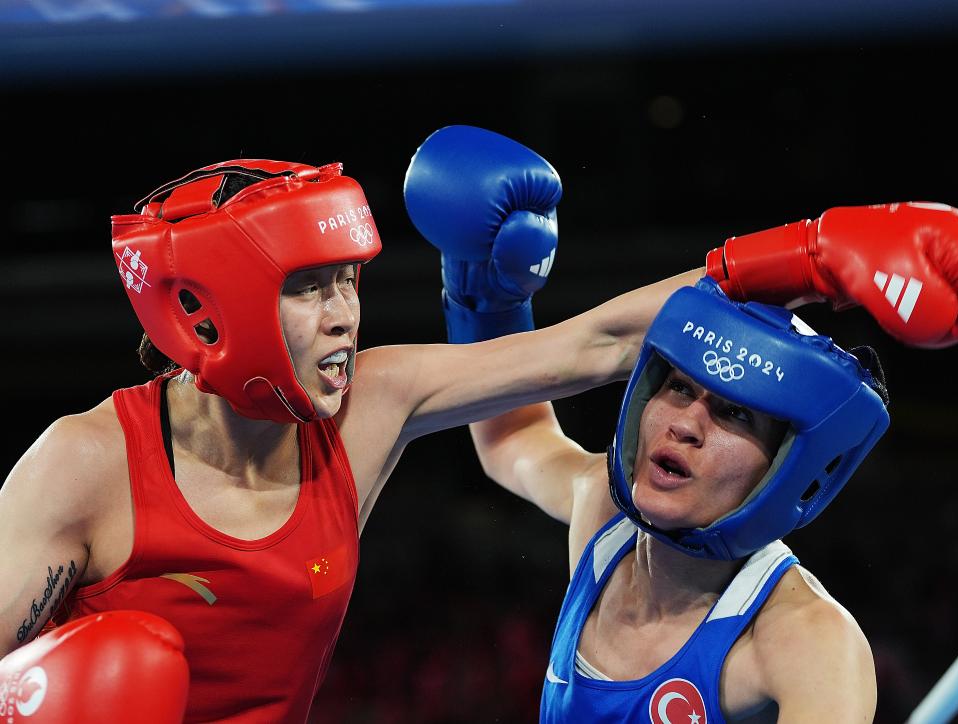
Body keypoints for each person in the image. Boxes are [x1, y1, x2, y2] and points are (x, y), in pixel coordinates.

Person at [0, 128, 700, 724]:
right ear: (204, 311)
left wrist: (790, 260)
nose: (343, 315)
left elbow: (597, 345)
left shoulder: (371, 405)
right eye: (307, 286)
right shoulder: (87, 462)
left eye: (346, 280)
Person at [418, 181, 958, 719]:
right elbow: (514, 442)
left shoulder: (806, 642)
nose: (686, 425)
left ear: (783, 466)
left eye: (733, 412)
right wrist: (485, 300)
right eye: (678, 388)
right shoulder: (606, 521)